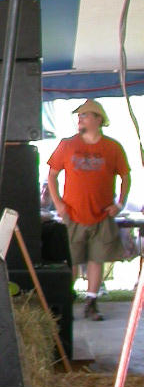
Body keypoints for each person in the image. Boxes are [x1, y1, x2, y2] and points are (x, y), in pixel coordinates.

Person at [46, 98, 131, 320]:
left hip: (102, 215)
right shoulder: (67, 145)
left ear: (98, 119)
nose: (80, 119)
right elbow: (52, 175)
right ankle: (65, 301)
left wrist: (119, 203)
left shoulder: (113, 147)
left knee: (96, 259)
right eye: (79, 116)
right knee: (71, 261)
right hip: (73, 215)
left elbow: (125, 176)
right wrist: (59, 204)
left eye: (84, 115)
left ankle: (91, 303)